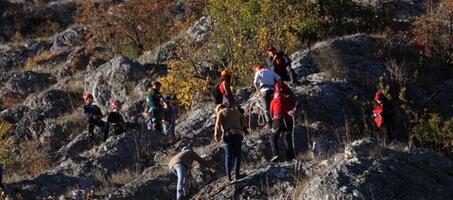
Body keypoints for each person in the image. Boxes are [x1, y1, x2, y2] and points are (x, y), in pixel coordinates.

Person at [214, 103, 247, 182]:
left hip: (228, 135)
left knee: (228, 156)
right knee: (237, 155)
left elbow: (218, 124)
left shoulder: (221, 112)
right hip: (238, 135)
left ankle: (229, 177)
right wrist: (239, 129)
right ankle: (237, 175)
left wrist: (216, 136)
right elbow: (243, 121)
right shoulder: (236, 111)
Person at [269, 82, 296, 162]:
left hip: (277, 119)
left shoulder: (273, 101)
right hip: (288, 119)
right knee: (287, 138)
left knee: (273, 138)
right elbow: (294, 105)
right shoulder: (287, 98)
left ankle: (276, 154)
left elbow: (271, 113)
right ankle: (290, 158)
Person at [253, 64, 282, 128]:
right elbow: (279, 79)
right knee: (273, 107)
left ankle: (269, 124)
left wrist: (258, 91)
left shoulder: (258, 72)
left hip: (264, 91)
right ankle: (276, 121)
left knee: (266, 108)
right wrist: (279, 89)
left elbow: (255, 82)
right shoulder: (271, 71)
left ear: (257, 69)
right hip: (272, 91)